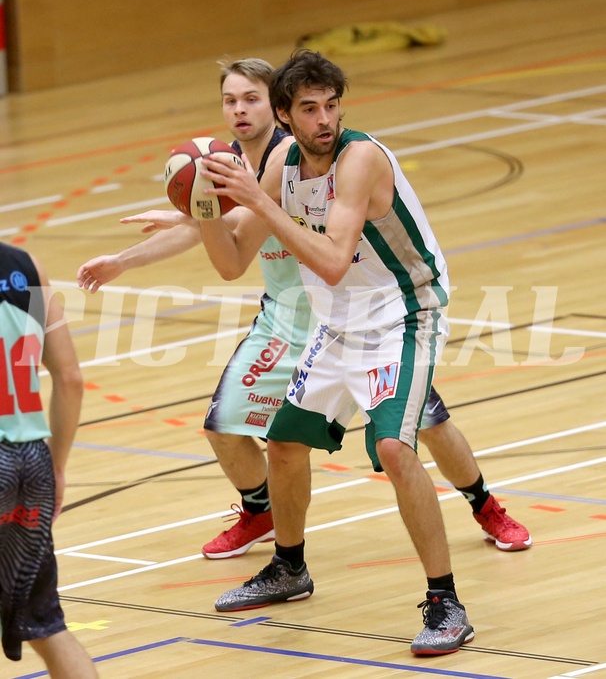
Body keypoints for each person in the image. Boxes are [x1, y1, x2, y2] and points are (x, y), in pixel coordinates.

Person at [78, 58, 531, 561]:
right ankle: (272, 534)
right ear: (286, 111)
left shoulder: (338, 157)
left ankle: (482, 508)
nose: (240, 109)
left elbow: (318, 251)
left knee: (416, 431)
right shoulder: (257, 164)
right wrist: (192, 212)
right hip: (310, 318)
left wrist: (224, 208)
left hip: (388, 313)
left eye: (330, 106)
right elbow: (227, 246)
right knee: (257, 435)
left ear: (273, 108)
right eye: (231, 100)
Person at [188, 48, 477, 656]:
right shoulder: (284, 164)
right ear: (288, 118)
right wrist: (204, 205)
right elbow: (232, 261)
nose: (325, 120)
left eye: (333, 105)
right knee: (286, 444)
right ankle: (289, 568)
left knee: (397, 448)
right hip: (337, 323)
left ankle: (446, 602)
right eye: (311, 109)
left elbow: (332, 260)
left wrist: (258, 201)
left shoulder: (360, 159)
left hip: (404, 315)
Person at [0, 242, 98, 677]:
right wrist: (56, 466)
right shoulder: (25, 264)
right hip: (31, 459)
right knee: (46, 626)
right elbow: (70, 378)